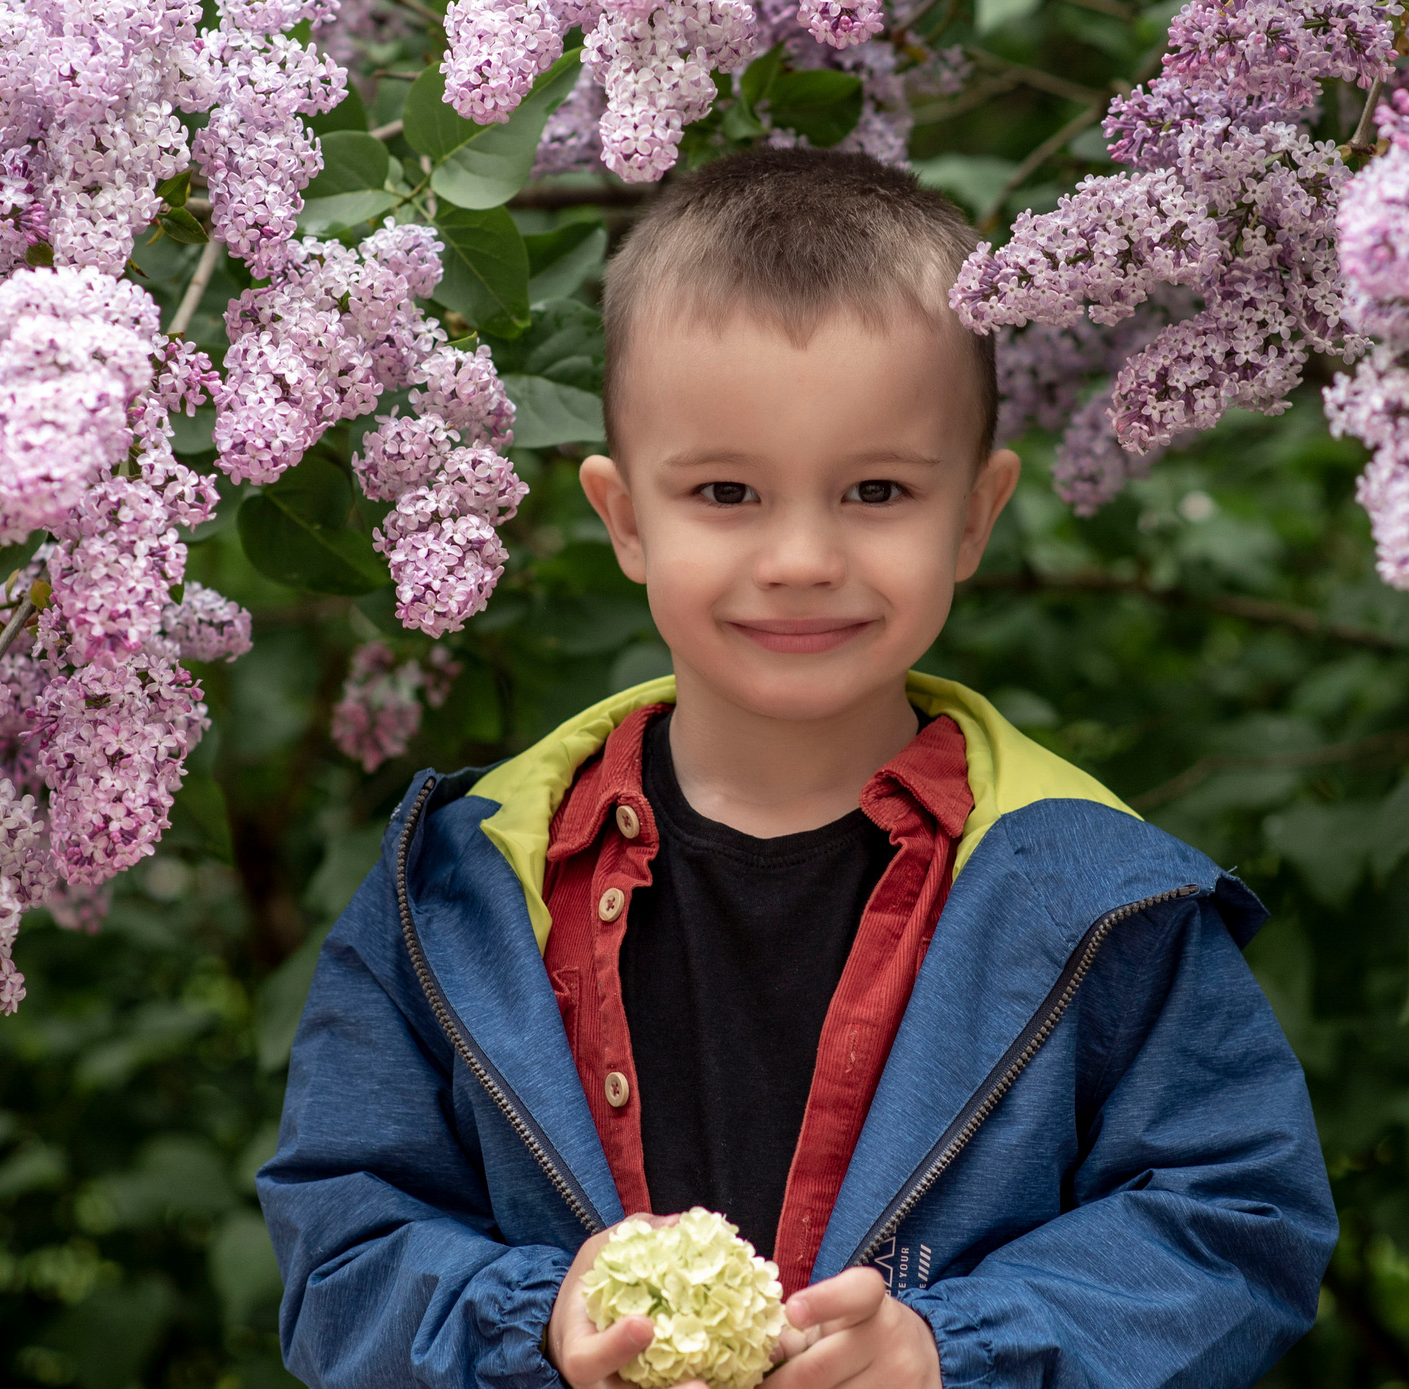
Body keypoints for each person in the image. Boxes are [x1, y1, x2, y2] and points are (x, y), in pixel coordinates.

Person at [258, 147, 1336, 1389]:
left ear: (975, 517)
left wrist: (950, 1350)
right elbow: (343, 1246)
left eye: (876, 489)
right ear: (622, 518)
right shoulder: (453, 892)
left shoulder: (1102, 902)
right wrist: (535, 1323)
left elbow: (1238, 1225)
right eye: (726, 491)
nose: (802, 556)